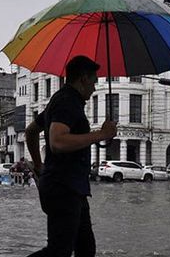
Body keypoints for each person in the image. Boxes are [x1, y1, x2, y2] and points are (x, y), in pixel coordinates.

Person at [26, 55, 117, 257]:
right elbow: (57, 142)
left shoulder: (60, 100)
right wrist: (101, 134)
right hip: (63, 188)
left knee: (85, 249)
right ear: (83, 78)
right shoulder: (67, 101)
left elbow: (31, 131)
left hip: (70, 187)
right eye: (94, 81)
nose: (94, 87)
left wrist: (40, 166)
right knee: (59, 251)